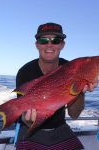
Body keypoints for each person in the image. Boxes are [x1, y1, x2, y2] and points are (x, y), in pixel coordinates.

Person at [15, 22, 97, 150]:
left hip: (60, 128)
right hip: (30, 130)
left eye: (55, 40)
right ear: (37, 45)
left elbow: (74, 114)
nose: (49, 45)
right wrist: (30, 120)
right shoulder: (25, 72)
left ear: (62, 45)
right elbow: (25, 120)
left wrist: (81, 91)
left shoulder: (72, 68)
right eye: (43, 40)